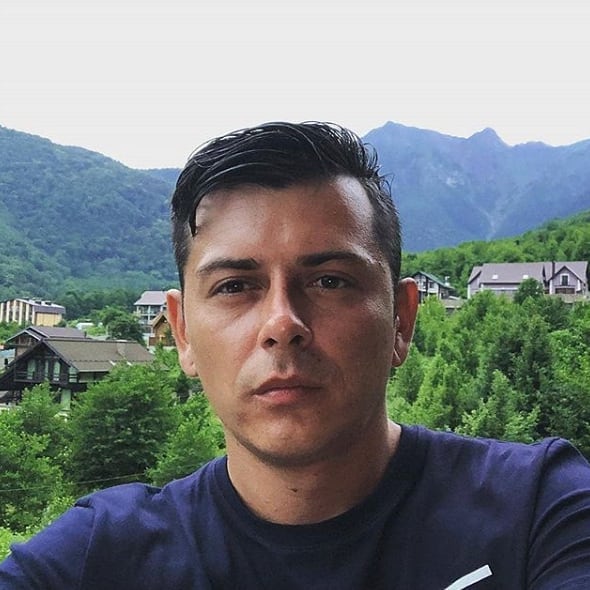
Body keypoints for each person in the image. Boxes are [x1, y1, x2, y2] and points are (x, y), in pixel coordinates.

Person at [1, 121, 590, 589]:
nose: (282, 323)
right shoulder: (95, 558)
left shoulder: (541, 511)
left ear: (401, 320)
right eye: (235, 286)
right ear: (181, 333)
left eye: (330, 281)